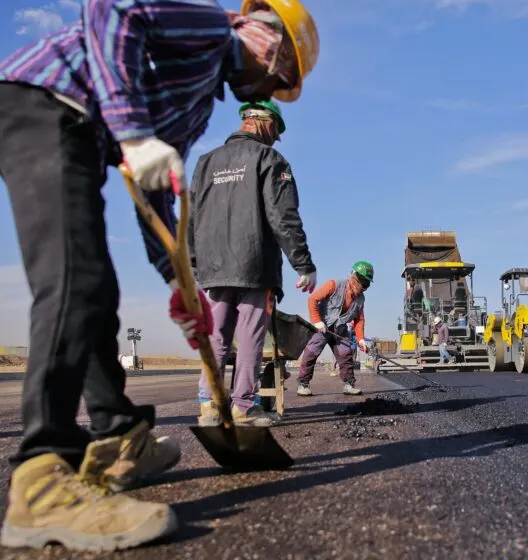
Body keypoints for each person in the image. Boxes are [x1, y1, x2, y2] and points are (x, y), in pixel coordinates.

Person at [0, 0, 319, 552]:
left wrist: (179, 281)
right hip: (42, 103)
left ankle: (119, 436)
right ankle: (42, 479)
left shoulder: (197, 104)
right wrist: (130, 130)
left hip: (81, 132)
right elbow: (109, 11)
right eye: (282, 69)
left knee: (96, 291)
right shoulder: (209, 27)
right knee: (75, 283)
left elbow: (152, 186)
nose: (272, 81)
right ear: (265, 36)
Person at [189, 99, 316, 428]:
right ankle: (243, 407)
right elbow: (283, 216)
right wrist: (303, 263)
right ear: (266, 122)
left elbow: (191, 217)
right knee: (250, 337)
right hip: (254, 264)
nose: (275, 138)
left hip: (212, 268)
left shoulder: (205, 163)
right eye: (276, 131)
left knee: (215, 335)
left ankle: (209, 405)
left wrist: (192, 262)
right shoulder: (269, 159)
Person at [298, 262, 374, 396]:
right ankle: (303, 384)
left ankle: (349, 385)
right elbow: (312, 299)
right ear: (353, 277)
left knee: (346, 354)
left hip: (339, 328)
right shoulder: (334, 284)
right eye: (361, 283)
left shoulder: (361, 299)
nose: (363, 287)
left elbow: (359, 320)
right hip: (322, 326)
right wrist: (317, 321)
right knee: (311, 353)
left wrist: (361, 339)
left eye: (366, 284)